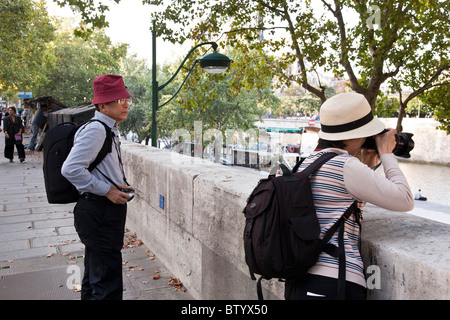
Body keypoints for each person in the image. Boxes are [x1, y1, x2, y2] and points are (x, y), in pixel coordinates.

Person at [284, 92, 414, 300]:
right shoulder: (345, 166)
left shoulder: (307, 163)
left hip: (300, 280)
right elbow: (405, 199)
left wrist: (369, 164)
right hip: (334, 282)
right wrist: (387, 154)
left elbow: (345, 209)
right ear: (352, 136)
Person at [61, 74, 133, 300]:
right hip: (99, 211)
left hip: (101, 210)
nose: (126, 104)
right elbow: (70, 169)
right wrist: (108, 190)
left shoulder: (108, 128)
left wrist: (114, 183)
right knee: (107, 282)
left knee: (96, 275)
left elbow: (98, 167)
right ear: (102, 105)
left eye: (126, 99)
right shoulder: (97, 129)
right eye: (119, 100)